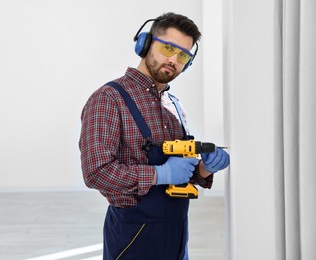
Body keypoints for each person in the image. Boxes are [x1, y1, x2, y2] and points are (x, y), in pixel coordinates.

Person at [79, 12, 230, 260]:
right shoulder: (108, 98)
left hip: (177, 232)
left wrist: (203, 168)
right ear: (145, 44)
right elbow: (96, 172)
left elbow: (181, 173)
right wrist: (161, 174)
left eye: (183, 55)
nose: (173, 59)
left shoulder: (174, 105)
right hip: (133, 236)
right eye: (167, 48)